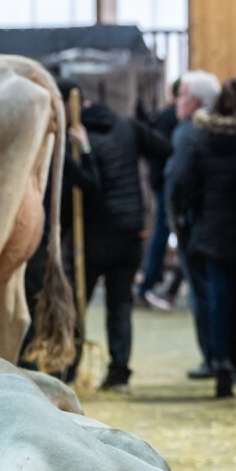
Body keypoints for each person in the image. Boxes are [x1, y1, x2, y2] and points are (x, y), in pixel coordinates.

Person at [69, 94, 172, 391]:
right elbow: (164, 148)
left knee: (79, 303)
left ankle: (69, 367)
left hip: (96, 234)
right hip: (130, 230)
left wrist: (83, 151)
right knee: (120, 304)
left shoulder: (78, 141)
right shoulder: (127, 126)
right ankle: (119, 373)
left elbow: (91, 186)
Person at [171, 78, 236, 398]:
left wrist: (190, 216)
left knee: (218, 301)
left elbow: (183, 181)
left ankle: (221, 364)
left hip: (211, 231)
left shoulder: (202, 137)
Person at [20, 77, 101, 375]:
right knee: (40, 303)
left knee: (35, 303)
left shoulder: (39, 145)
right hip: (43, 238)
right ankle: (45, 367)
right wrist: (86, 150)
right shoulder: (55, 149)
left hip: (37, 235)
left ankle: (37, 365)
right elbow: (91, 185)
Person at [165, 70, 222, 381]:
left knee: (203, 295)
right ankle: (225, 359)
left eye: (182, 94)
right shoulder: (221, 126)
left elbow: (178, 179)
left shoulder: (189, 131)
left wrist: (177, 218)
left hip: (196, 225)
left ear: (196, 100)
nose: (177, 101)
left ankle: (213, 359)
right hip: (220, 224)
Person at [136, 78, 182, 309]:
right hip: (168, 185)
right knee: (163, 233)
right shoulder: (171, 118)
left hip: (165, 183)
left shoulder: (166, 117)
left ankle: (154, 285)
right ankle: (149, 285)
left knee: (163, 233)